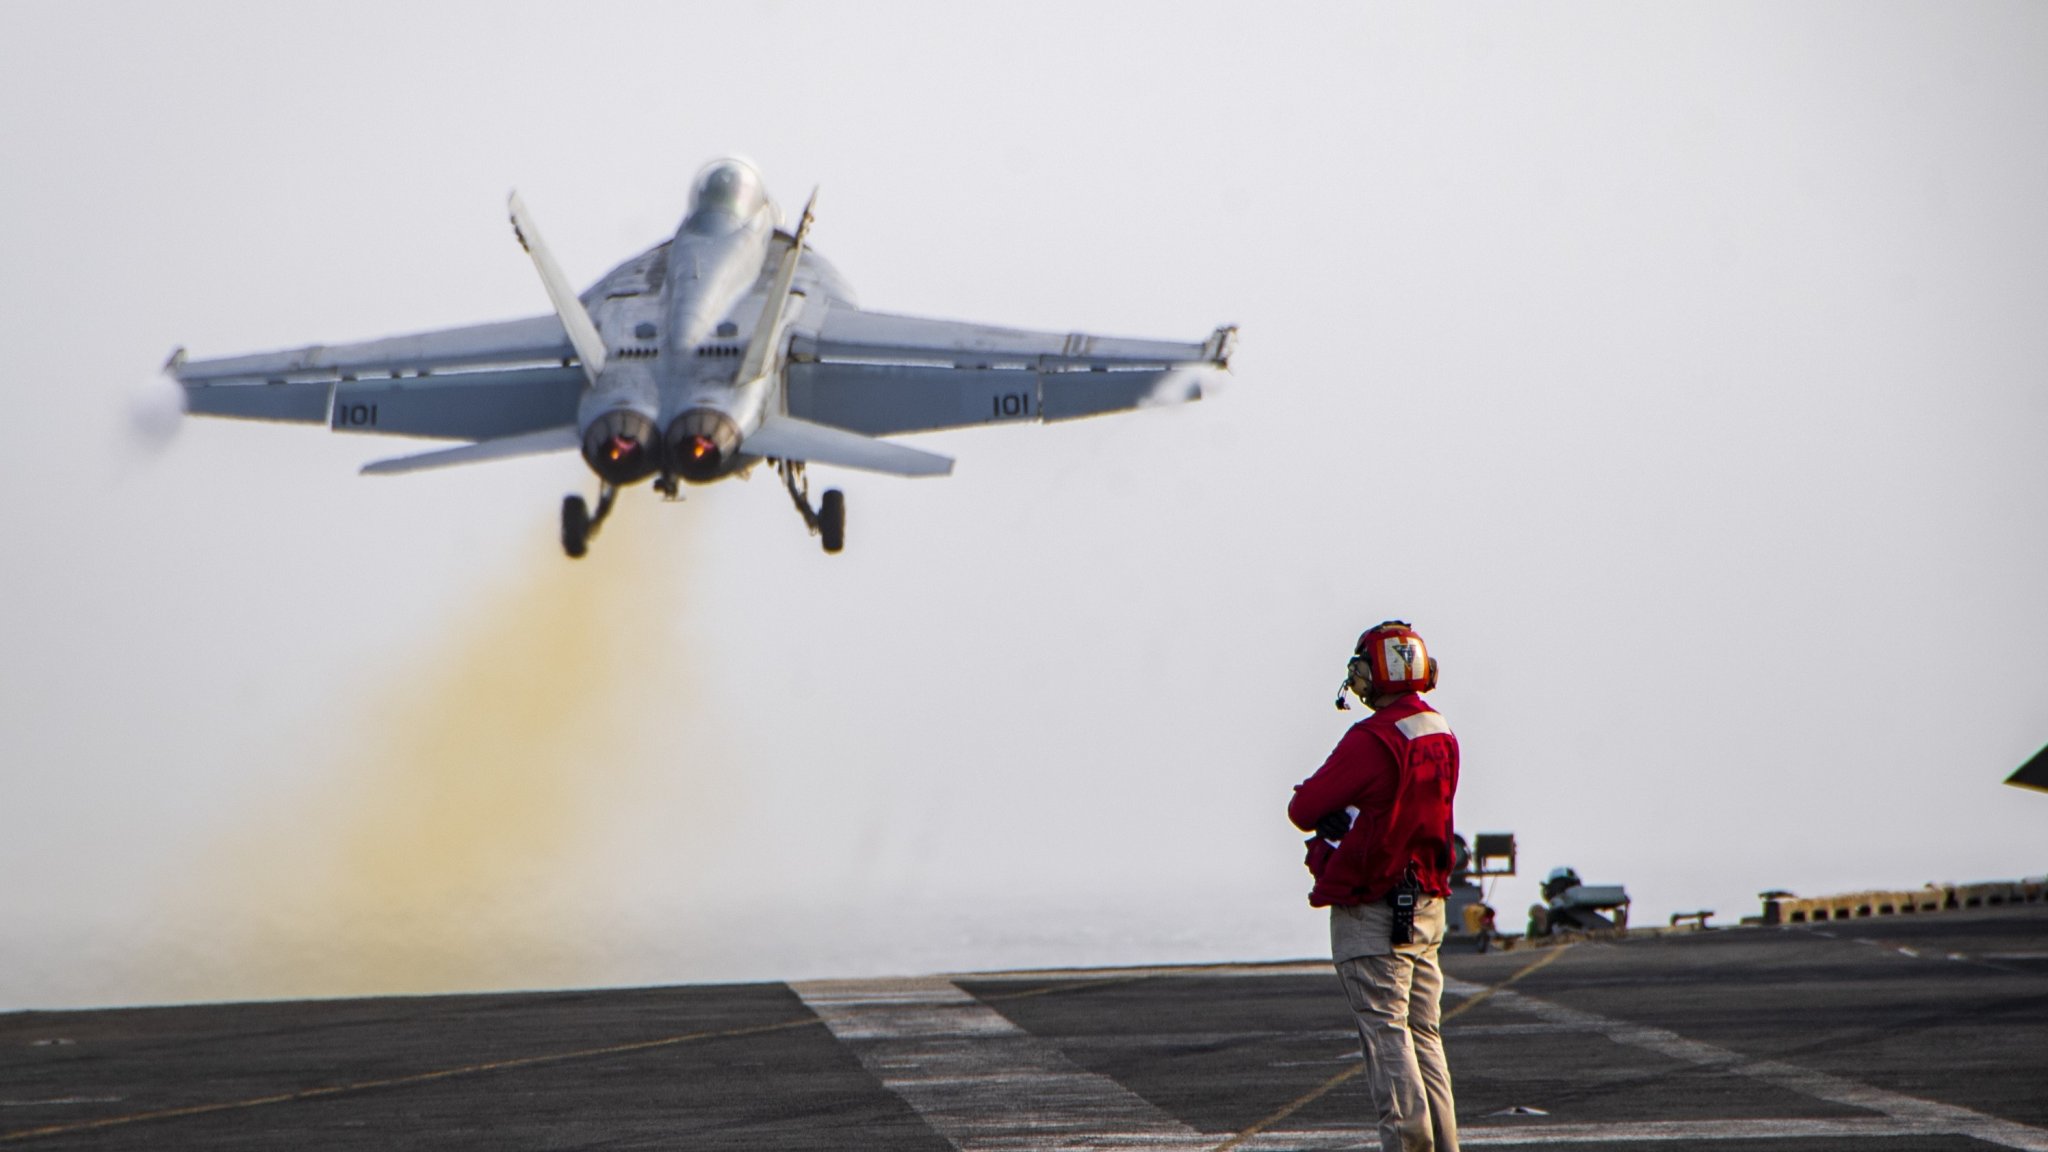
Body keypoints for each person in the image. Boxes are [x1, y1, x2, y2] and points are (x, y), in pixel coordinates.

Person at [1290, 621, 1461, 1152]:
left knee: (1387, 1035)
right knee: (1425, 1036)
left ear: (1375, 671)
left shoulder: (1372, 738)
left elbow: (1304, 808)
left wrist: (1334, 817)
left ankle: (1408, 1146)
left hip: (1375, 909)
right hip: (1426, 904)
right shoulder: (1438, 730)